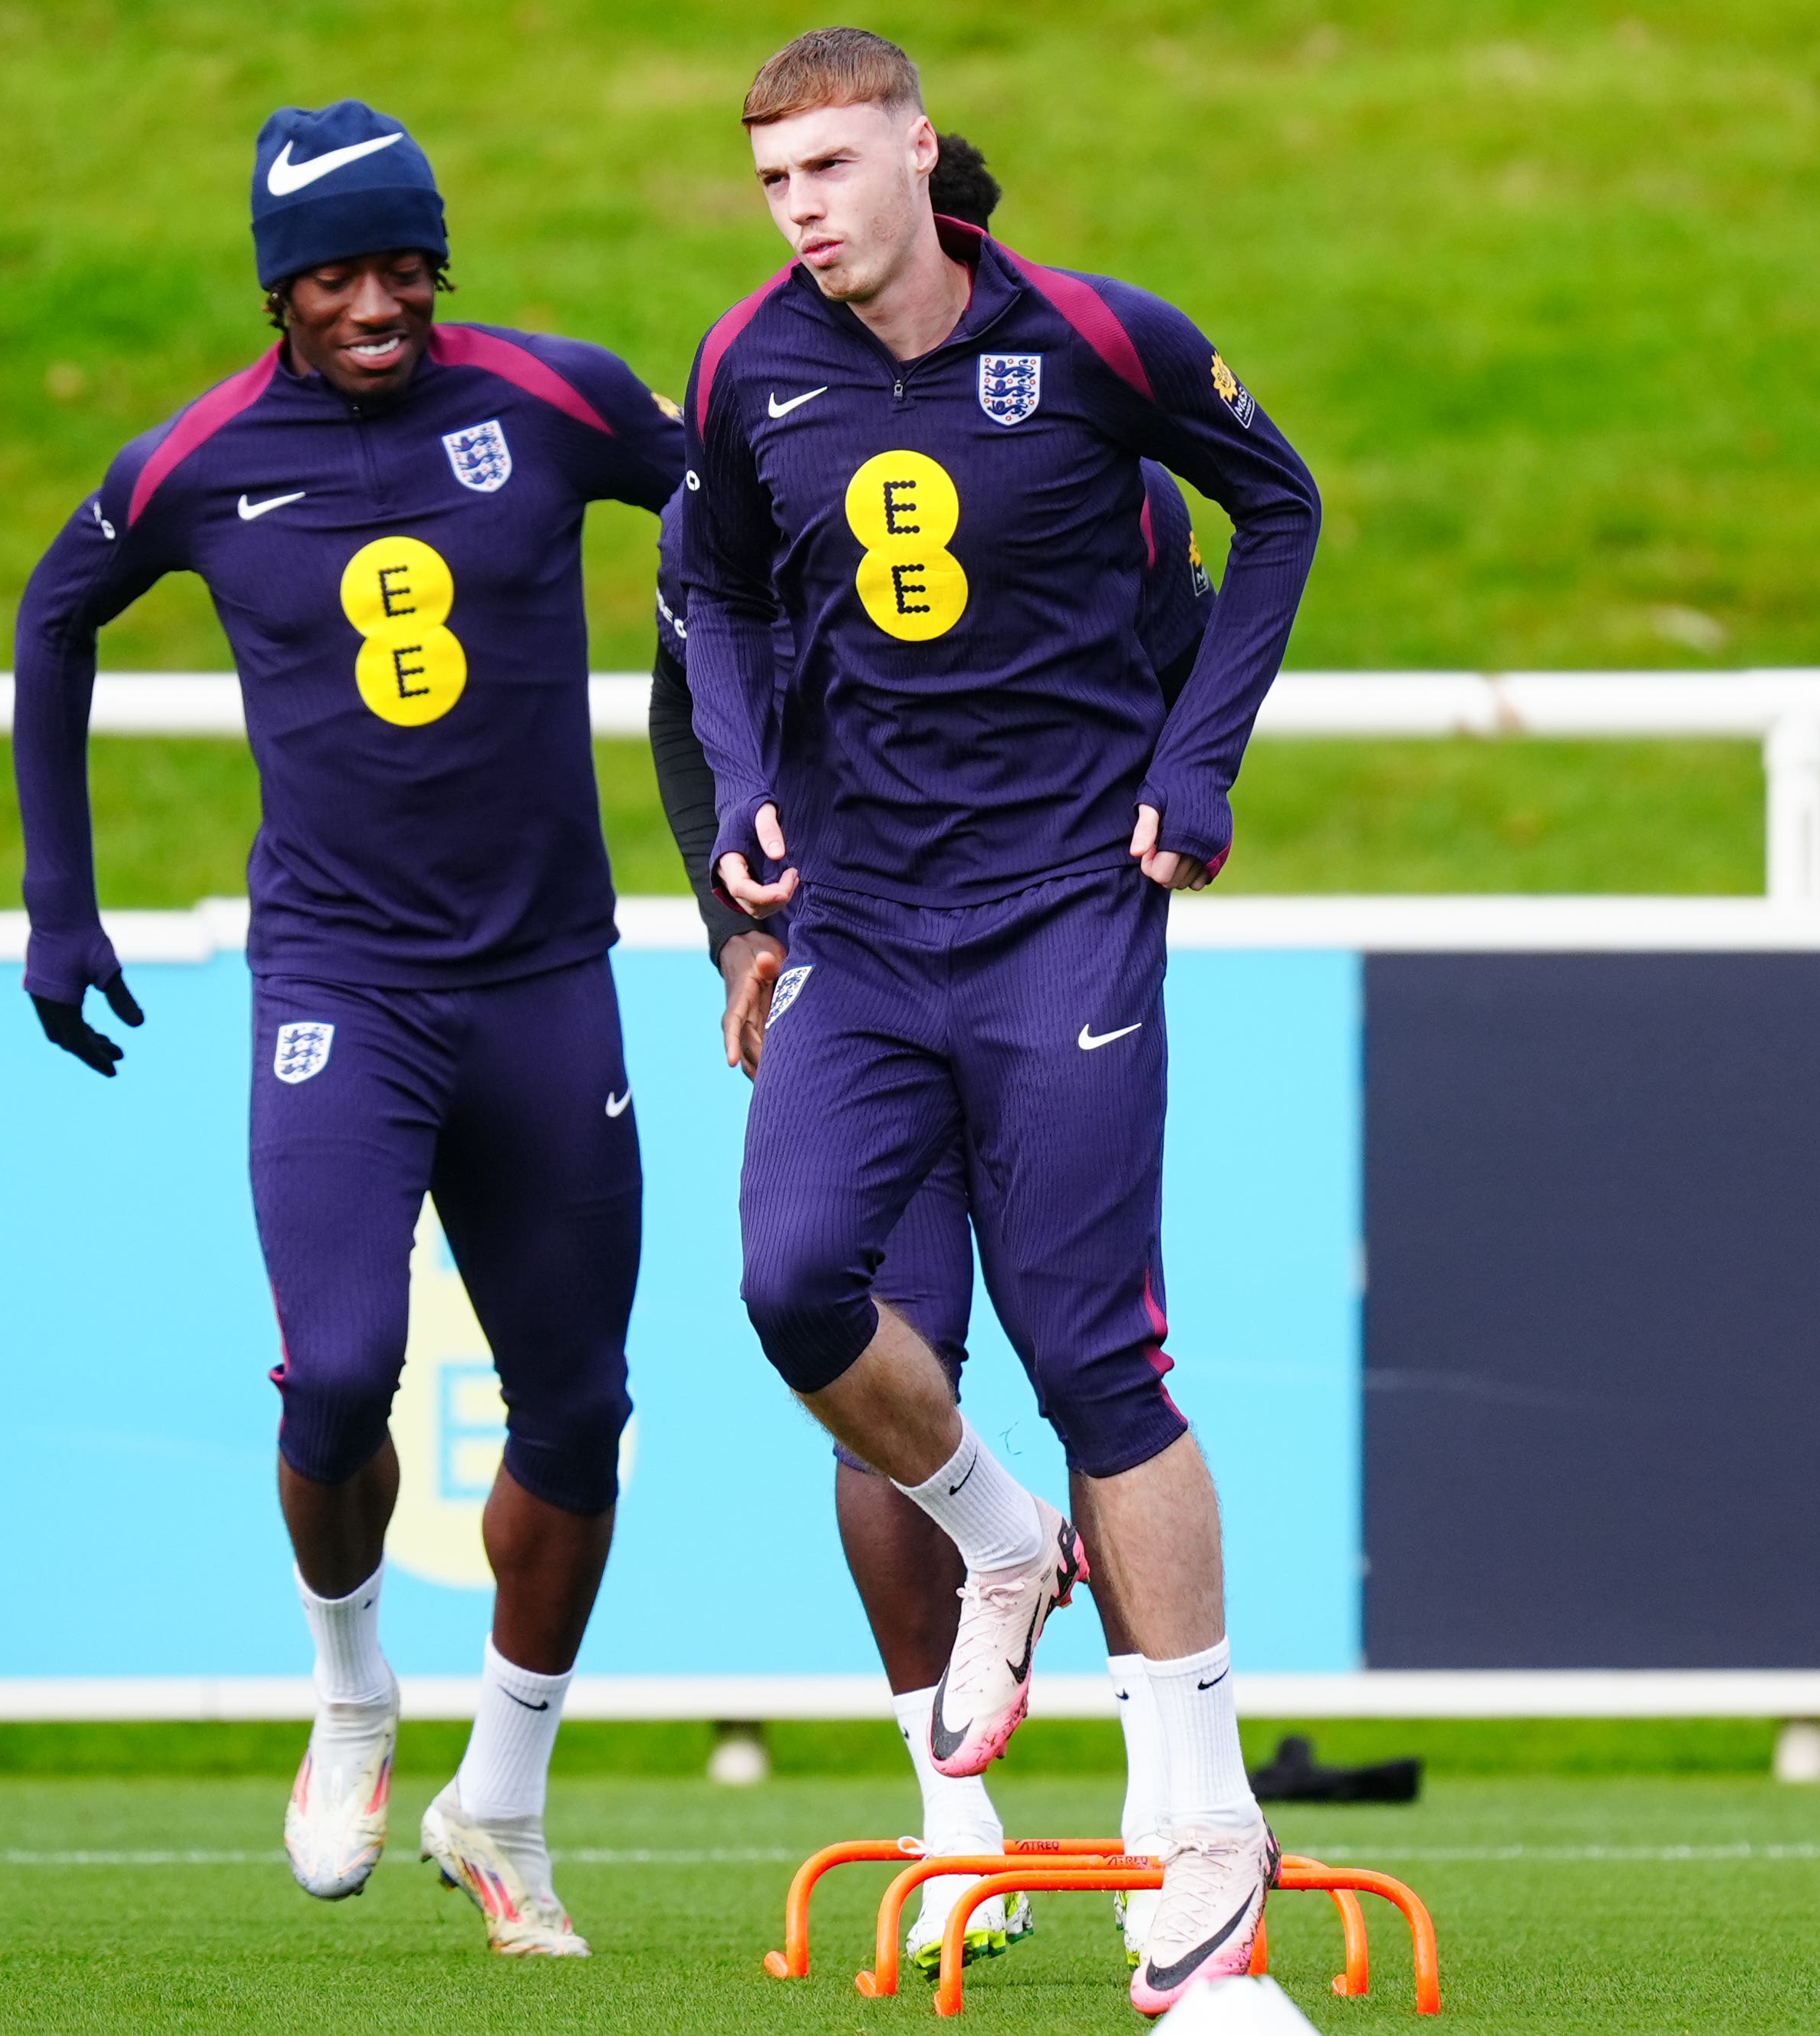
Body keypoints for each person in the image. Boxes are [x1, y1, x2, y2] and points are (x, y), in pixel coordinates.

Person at [680, 31, 1321, 2014]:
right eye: (772, 179)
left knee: (1092, 1348)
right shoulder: (740, 366)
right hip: (862, 934)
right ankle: (995, 1538)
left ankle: (1202, 1827)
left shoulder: (1098, 348)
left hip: (1058, 919)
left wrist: (1195, 773)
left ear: (914, 156)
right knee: (789, 1286)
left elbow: (1276, 510)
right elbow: (702, 593)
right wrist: (736, 815)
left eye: (829, 170)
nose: (801, 211)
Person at [12, 98, 684, 1958]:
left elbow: (742, 507)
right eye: (335, 270)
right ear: (275, 287)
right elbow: (54, 617)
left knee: (583, 1403)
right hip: (340, 986)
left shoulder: (552, 399)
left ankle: (507, 1805)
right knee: (333, 1369)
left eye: (404, 262)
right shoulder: (203, 461)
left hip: (547, 976)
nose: (376, 299)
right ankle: (352, 1687)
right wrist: (57, 899)